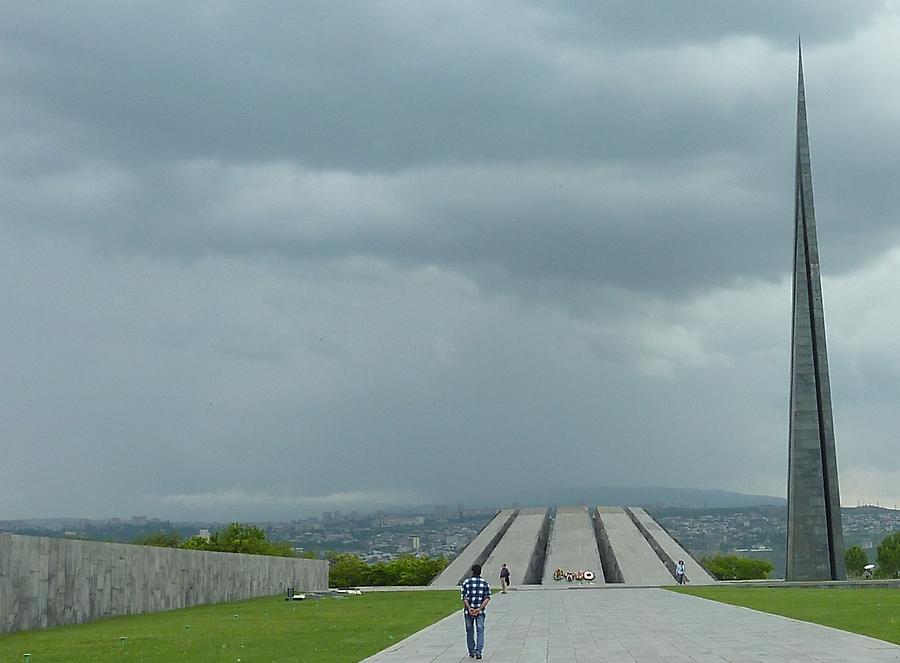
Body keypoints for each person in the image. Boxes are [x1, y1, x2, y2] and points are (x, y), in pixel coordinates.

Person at [461, 563, 491, 659]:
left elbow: (464, 598)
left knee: (469, 631)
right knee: (480, 630)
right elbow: (487, 598)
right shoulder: (484, 583)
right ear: (480, 572)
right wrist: (479, 608)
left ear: (472, 572)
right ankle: (479, 651)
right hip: (480, 612)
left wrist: (469, 608)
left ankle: (471, 651)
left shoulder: (466, 582)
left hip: (468, 612)